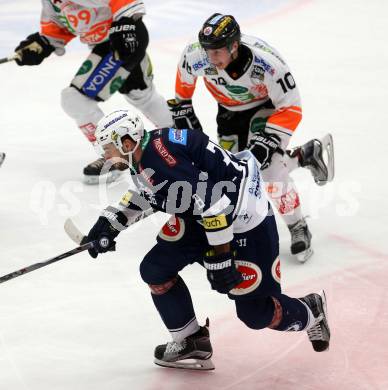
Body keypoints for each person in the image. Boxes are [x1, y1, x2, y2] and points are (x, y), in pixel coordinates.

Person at [85, 109, 330, 370]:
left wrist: (222, 257)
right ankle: (192, 340)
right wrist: (110, 222)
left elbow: (214, 205)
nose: (104, 155)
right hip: (205, 215)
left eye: (108, 148)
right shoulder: (146, 150)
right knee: (155, 268)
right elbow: (154, 189)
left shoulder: (160, 160)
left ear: (126, 142)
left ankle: (311, 311)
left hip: (245, 221)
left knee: (256, 314)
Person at [168, 13, 334, 262]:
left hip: (268, 110)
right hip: (229, 112)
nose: (211, 58)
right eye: (207, 50)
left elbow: (291, 107)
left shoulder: (267, 65)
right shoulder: (194, 56)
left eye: (217, 51)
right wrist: (189, 127)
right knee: (229, 171)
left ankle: (297, 225)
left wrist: (269, 139)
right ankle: (303, 157)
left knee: (268, 171)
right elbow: (182, 97)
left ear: (234, 46)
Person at [14, 0, 172, 184]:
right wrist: (42, 43)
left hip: (121, 39)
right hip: (112, 43)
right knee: (142, 95)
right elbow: (60, 24)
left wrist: (126, 25)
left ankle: (118, 155)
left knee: (75, 100)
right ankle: (183, 139)